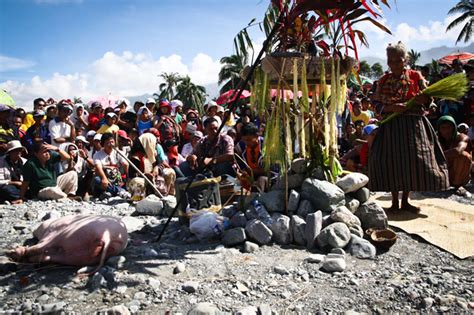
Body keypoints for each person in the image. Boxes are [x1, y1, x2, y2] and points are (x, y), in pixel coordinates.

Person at [368, 42, 449, 213]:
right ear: (388, 62)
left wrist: (423, 100)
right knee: (392, 162)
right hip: (391, 127)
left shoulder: (415, 76)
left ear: (405, 60)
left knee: (412, 163)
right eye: (391, 61)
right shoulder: (383, 81)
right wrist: (391, 108)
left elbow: (430, 101)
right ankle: (394, 203)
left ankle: (405, 200)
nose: (395, 64)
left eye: (399, 61)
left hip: (414, 127)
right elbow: (375, 103)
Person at [437, 115, 472, 189]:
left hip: (459, 173)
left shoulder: (462, 137)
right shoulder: (436, 137)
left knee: (464, 155)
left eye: (449, 127)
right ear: (439, 129)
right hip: (443, 171)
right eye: (443, 128)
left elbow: (458, 151)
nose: (446, 130)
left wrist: (438, 154)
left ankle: (457, 184)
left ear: (454, 128)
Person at [92, 133, 129, 198]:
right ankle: (120, 192)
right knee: (96, 179)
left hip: (117, 179)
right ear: (103, 144)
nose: (111, 145)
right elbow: (98, 168)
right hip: (105, 179)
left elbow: (125, 164)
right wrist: (104, 178)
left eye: (112, 142)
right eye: (108, 143)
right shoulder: (97, 155)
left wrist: (128, 177)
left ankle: (116, 191)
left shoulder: (119, 153)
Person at [236, 122, 267, 191]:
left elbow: (270, 170)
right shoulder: (241, 146)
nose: (246, 143)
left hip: (265, 177)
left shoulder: (266, 146)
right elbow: (238, 162)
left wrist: (252, 171)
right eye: (244, 140)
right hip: (249, 176)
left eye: (249, 140)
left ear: (256, 136)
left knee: (261, 180)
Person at [155, 100, 181, 166]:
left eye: (166, 107)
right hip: (162, 143)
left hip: (173, 142)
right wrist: (161, 121)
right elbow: (155, 127)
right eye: (162, 107)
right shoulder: (157, 117)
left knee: (175, 160)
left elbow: (179, 129)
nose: (164, 109)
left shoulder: (171, 118)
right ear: (160, 109)